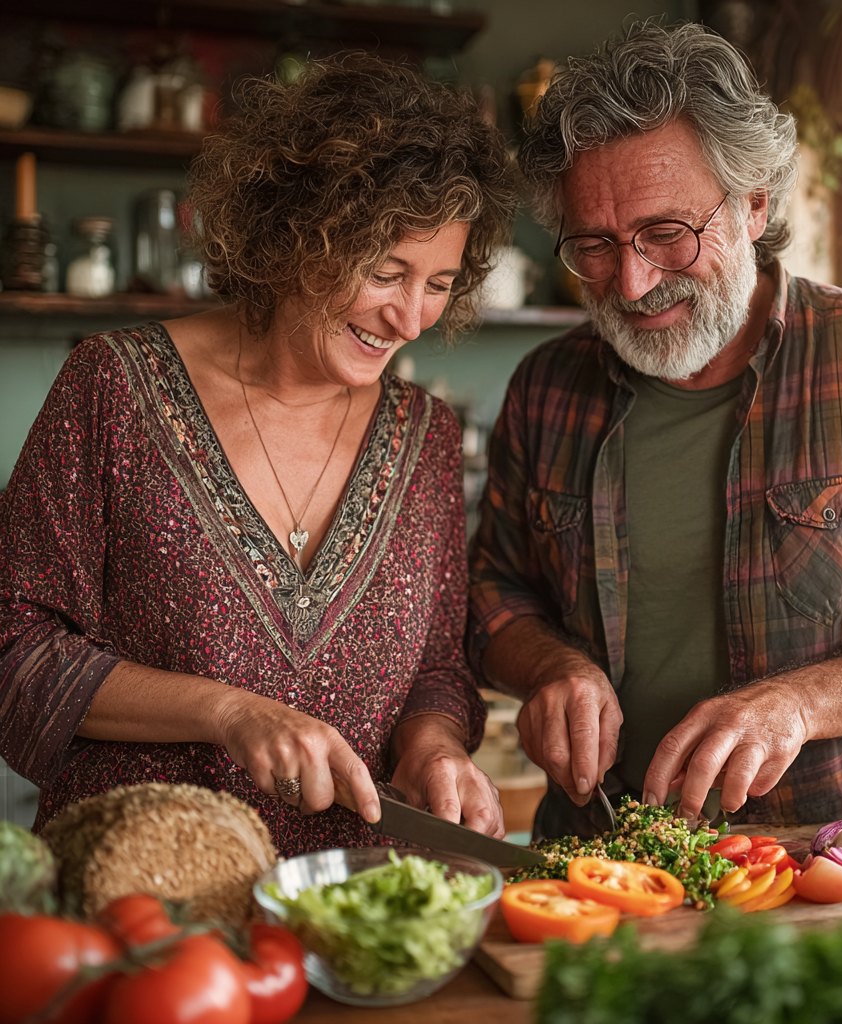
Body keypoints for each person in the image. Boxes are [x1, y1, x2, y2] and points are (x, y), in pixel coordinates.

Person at [468, 22, 842, 835]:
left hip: (831, 871)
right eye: (595, 244)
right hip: (597, 863)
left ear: (755, 204)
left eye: (667, 233)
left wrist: (799, 705)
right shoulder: (546, 387)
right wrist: (553, 666)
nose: (632, 280)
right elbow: (493, 593)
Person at [0, 53, 517, 856]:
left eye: (440, 283)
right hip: (142, 895)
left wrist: (434, 746)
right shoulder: (115, 387)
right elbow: (14, 648)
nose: (412, 319)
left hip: (355, 907)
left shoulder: (427, 436)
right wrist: (227, 710)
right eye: (386, 273)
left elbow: (437, 669)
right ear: (295, 239)